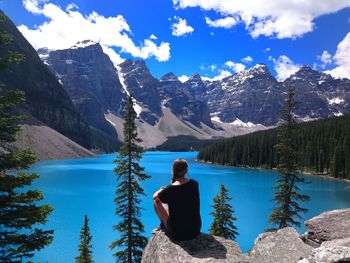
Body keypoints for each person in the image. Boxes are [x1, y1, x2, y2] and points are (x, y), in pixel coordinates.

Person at [153, 158, 201, 241]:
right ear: (186, 170)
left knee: (157, 201)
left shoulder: (170, 189)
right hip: (195, 230)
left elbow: (154, 197)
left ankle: (163, 225)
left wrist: (162, 189)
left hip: (178, 233)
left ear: (173, 170)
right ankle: (165, 224)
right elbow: (182, 195)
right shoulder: (194, 184)